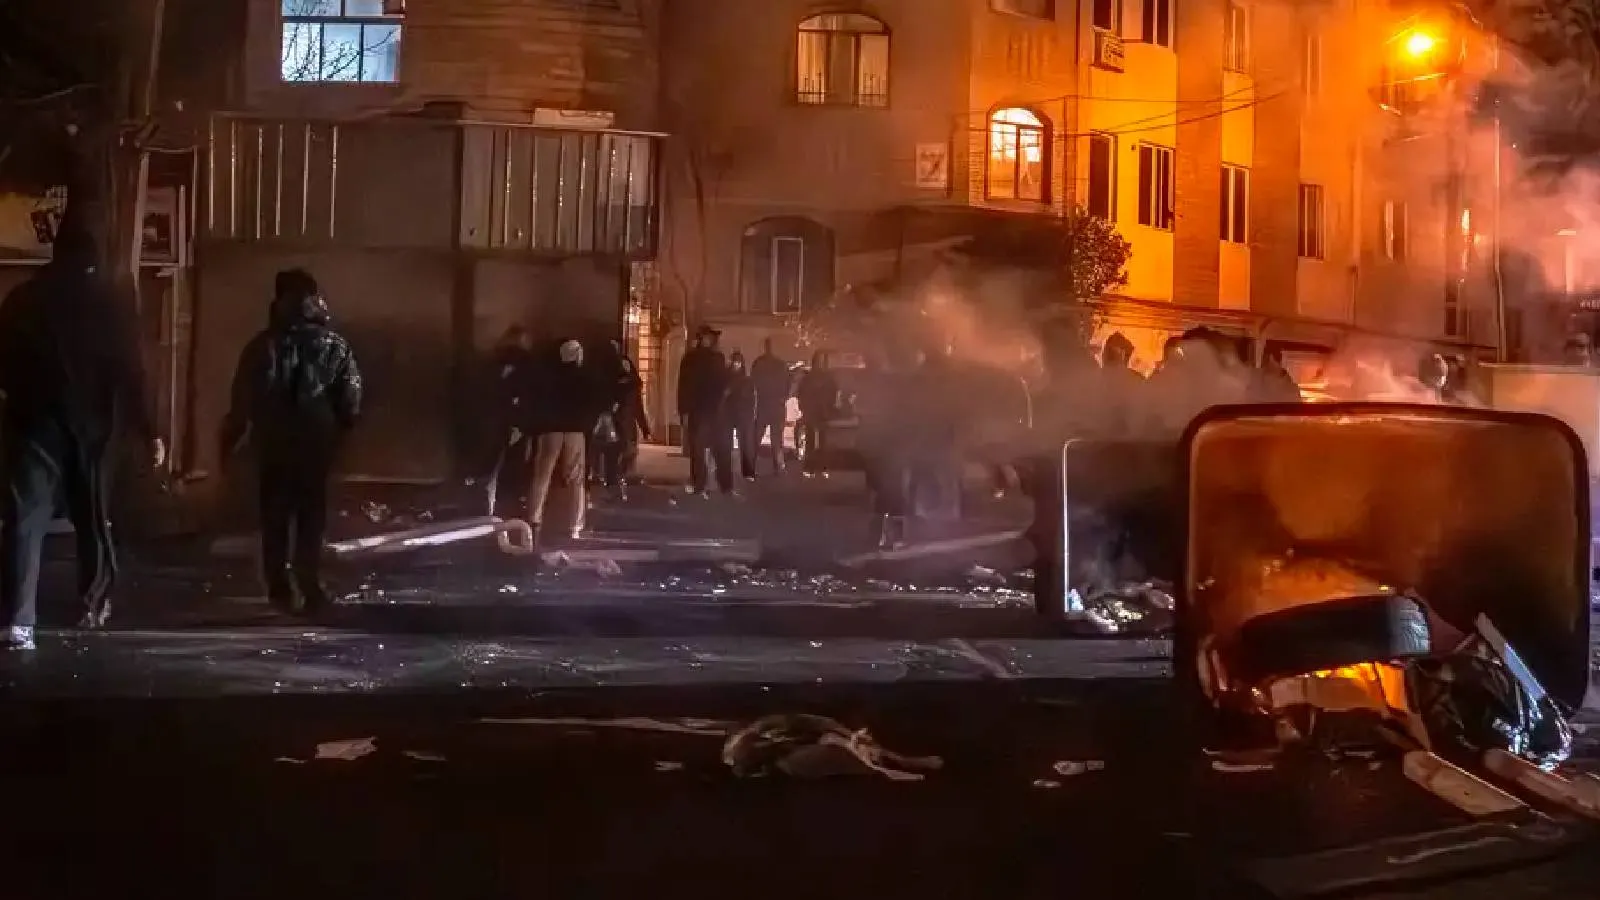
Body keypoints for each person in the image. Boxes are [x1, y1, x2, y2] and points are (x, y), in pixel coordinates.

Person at [0, 216, 164, 649]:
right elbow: (131, 371)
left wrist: (22, 396)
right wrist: (149, 429)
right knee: (92, 516)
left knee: (25, 520)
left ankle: (19, 621)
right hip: (93, 428)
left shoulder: (23, 299)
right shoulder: (110, 304)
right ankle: (91, 604)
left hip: (34, 424)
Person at [220, 269, 362, 614]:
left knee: (275, 515)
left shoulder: (262, 346)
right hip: (315, 444)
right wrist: (342, 432)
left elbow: (242, 400)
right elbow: (350, 396)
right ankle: (309, 583)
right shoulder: (334, 345)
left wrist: (230, 441)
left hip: (274, 443)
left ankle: (279, 587)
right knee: (311, 516)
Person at [526, 339, 601, 542]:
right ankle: (574, 526)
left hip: (551, 431)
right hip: (575, 431)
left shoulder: (549, 377)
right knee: (576, 480)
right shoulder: (584, 377)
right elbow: (593, 403)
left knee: (542, 476)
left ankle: (534, 520)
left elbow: (539, 403)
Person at [486, 325, 537, 518]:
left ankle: (491, 503)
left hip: (495, 419)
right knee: (515, 463)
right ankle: (510, 504)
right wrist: (522, 423)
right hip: (516, 422)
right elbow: (528, 393)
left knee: (494, 463)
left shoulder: (495, 359)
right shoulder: (527, 363)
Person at [677, 326, 733, 495]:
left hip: (707, 410)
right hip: (706, 410)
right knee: (707, 449)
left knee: (708, 449)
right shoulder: (700, 358)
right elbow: (684, 386)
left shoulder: (704, 358)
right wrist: (684, 411)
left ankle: (710, 483)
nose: (711, 340)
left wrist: (684, 411)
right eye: (709, 337)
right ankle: (713, 483)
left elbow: (684, 386)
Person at [595, 342, 651, 495]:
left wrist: (644, 426)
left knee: (616, 450)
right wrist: (644, 427)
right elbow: (637, 404)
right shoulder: (626, 381)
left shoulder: (606, 374)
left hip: (620, 420)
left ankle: (613, 478)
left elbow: (637, 404)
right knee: (618, 450)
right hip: (622, 420)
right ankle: (615, 478)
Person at [749, 338, 792, 474]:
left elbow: (753, 383)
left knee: (756, 437)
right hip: (776, 404)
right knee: (777, 438)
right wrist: (784, 397)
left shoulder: (759, 363)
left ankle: (751, 464)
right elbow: (788, 383)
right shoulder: (781, 364)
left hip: (763, 404)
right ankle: (777, 466)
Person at [795, 350, 840, 479]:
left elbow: (801, 394)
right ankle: (816, 467)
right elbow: (801, 394)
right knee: (816, 440)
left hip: (818, 412)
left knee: (818, 440)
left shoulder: (813, 378)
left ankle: (816, 467)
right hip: (816, 411)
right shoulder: (818, 378)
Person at [724, 351, 758, 481]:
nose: (736, 364)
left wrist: (751, 413)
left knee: (746, 444)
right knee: (726, 443)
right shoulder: (727, 379)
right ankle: (725, 470)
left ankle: (748, 471)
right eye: (734, 362)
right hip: (730, 413)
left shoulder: (747, 380)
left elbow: (751, 398)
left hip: (743, 414)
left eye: (738, 362)